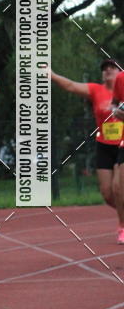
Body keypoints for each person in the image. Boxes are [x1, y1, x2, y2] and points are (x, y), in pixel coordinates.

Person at [50, 60, 122, 242]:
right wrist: (51, 75)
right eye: (104, 69)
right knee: (107, 193)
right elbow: (71, 85)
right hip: (104, 145)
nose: (108, 71)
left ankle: (122, 227)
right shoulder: (96, 90)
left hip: (122, 144)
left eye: (112, 68)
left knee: (118, 187)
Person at [109, 67, 124, 245]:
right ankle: (122, 226)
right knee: (120, 188)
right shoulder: (121, 79)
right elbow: (114, 104)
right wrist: (116, 111)